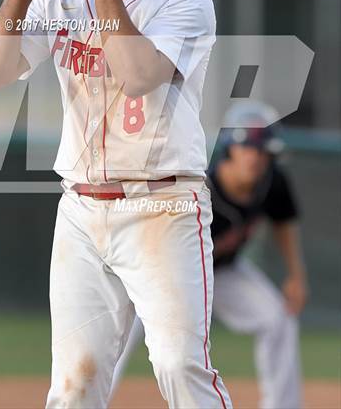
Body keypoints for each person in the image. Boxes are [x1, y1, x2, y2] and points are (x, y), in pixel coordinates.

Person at [0, 0, 232, 409]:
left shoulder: (186, 3)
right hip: (82, 212)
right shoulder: (56, 0)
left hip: (164, 207)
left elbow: (139, 76)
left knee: (180, 365)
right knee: (73, 386)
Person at [111, 101, 308, 409]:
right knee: (120, 336)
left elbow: (284, 223)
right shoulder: (202, 186)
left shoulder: (273, 182)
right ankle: (92, 401)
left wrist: (296, 276)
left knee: (278, 318)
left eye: (263, 151)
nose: (256, 158)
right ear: (231, 148)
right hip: (165, 273)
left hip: (223, 272)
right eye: (249, 149)